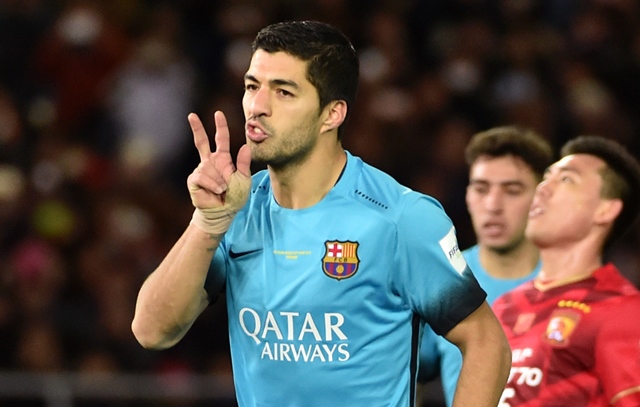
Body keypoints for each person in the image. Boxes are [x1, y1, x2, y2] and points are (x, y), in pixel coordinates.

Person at [131, 20, 511, 407]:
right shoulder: (237, 209)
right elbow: (152, 331)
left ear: (333, 114)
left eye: (283, 92)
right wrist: (206, 223)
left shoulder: (400, 218)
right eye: (252, 86)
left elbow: (486, 341)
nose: (257, 107)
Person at [493, 135, 640, 406]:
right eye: (546, 177)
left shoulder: (622, 311)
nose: (543, 188)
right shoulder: (503, 308)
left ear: (606, 210)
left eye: (566, 179)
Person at [418, 126, 554, 407]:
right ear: (467, 196)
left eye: (512, 190)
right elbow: (408, 376)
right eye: (481, 189)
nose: (493, 204)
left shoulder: (576, 285)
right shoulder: (439, 281)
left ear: (541, 199)